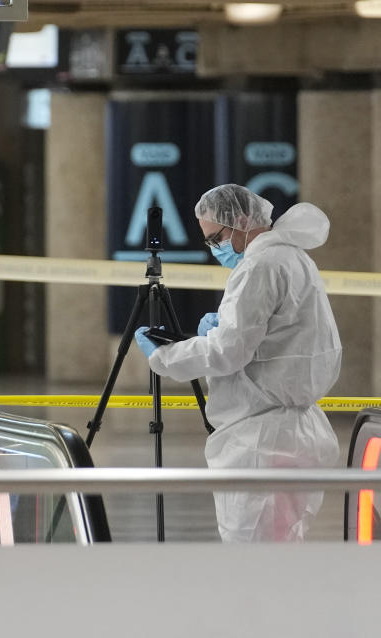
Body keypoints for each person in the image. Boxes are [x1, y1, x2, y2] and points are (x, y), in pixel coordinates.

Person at [133, 184, 342, 543]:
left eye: (217, 237)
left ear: (242, 221)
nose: (215, 248)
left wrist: (164, 355)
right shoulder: (293, 257)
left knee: (253, 556)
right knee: (283, 549)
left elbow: (228, 353)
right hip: (295, 431)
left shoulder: (258, 266)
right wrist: (223, 330)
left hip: (261, 438)